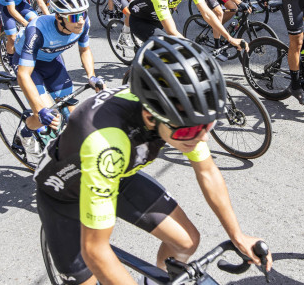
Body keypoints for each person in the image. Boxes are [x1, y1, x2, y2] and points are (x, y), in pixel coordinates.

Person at [33, 35, 271, 284]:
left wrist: (238, 236)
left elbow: (207, 172)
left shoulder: (181, 115)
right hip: (64, 196)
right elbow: (96, 250)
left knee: (186, 241)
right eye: (189, 131)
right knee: (89, 276)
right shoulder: (107, 143)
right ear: (149, 117)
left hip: (118, 176)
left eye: (208, 126)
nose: (203, 139)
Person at [12, 0, 103, 156]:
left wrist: (92, 76)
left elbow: (84, 50)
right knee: (47, 114)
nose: (81, 21)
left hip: (51, 62)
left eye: (83, 14)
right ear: (59, 17)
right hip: (28, 66)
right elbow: (23, 75)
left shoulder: (83, 23)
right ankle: (24, 133)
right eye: (75, 16)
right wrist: (40, 111)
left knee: (74, 114)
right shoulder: (36, 31)